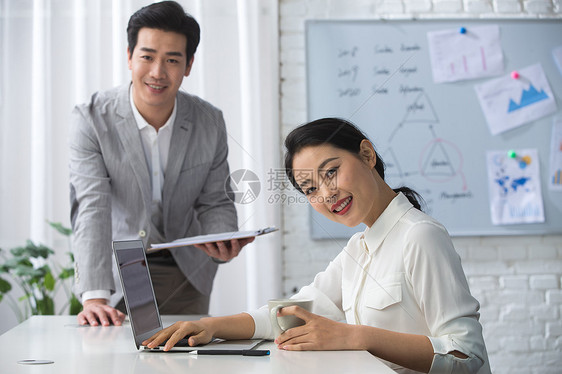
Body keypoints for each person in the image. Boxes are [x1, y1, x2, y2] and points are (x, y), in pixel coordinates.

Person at [142, 118, 491, 374]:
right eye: (310, 189)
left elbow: (465, 355)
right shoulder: (360, 247)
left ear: (367, 155)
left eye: (331, 172)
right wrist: (212, 326)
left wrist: (356, 337)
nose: (326, 194)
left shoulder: (420, 236)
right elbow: (291, 313)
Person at [69, 1, 253, 327]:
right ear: (129, 57)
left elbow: (214, 201)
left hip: (186, 270)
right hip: (120, 267)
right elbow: (92, 206)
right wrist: (95, 296)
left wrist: (221, 238)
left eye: (172, 60)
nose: (157, 72)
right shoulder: (92, 118)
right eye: (147, 56)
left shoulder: (209, 121)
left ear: (189, 64)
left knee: (183, 358)